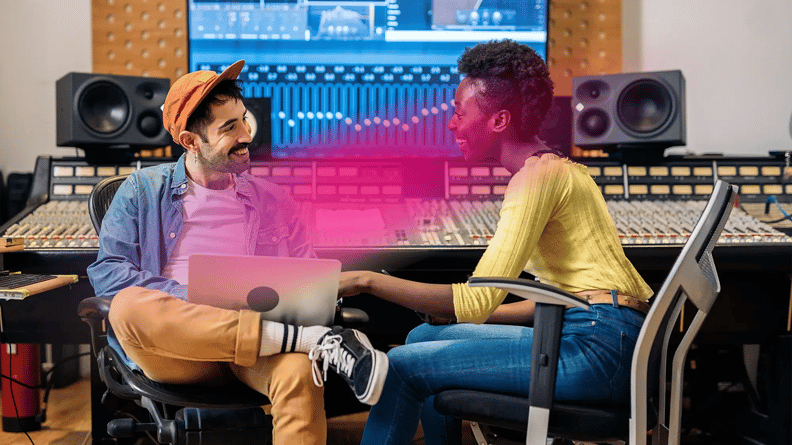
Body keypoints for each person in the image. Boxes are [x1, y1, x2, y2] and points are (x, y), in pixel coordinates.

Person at [338, 39, 654, 445]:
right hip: (608, 334)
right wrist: (456, 320)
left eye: (458, 113)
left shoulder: (534, 180)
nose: (451, 125)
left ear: (499, 121)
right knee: (422, 340)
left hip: (596, 351)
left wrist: (365, 282)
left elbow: (476, 302)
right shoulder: (560, 170)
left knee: (400, 364)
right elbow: (561, 297)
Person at [86, 60, 388, 445]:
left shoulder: (275, 199)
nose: (247, 134)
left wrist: (304, 294)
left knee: (298, 372)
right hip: (179, 348)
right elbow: (110, 274)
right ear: (190, 141)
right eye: (230, 128)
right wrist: (202, 298)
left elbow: (308, 280)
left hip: (259, 349)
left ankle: (301, 343)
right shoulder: (143, 189)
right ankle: (309, 340)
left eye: (243, 120)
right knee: (128, 307)